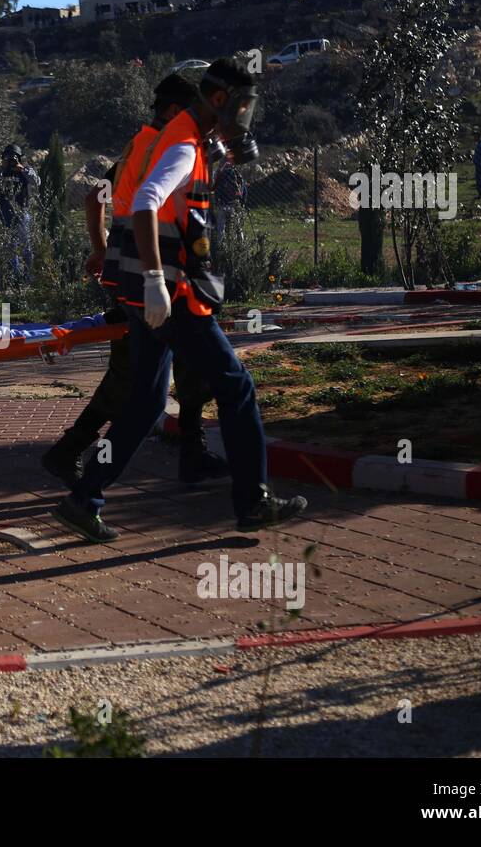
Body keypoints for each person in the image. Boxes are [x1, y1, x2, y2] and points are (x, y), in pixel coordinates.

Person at [53, 59, 306, 543]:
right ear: (217, 100)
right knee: (237, 388)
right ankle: (253, 502)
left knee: (147, 404)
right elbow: (147, 201)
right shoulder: (183, 145)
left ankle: (83, 499)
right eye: (242, 105)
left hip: (154, 294)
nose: (245, 116)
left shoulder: (188, 140)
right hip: (175, 298)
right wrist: (154, 281)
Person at [41, 72, 226, 488]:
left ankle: (188, 452)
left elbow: (95, 198)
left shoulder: (137, 148)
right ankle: (76, 459)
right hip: (149, 273)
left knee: (170, 367)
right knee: (140, 376)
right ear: (176, 111)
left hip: (138, 271)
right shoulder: (160, 149)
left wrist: (100, 249)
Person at [0, 144, 39, 286]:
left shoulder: (25, 170)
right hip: (4, 214)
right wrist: (1, 171)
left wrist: (22, 169)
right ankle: (15, 277)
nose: (11, 161)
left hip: (22, 212)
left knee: (26, 247)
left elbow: (37, 182)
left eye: (13, 158)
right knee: (10, 247)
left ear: (20, 158)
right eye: (7, 158)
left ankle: (28, 277)